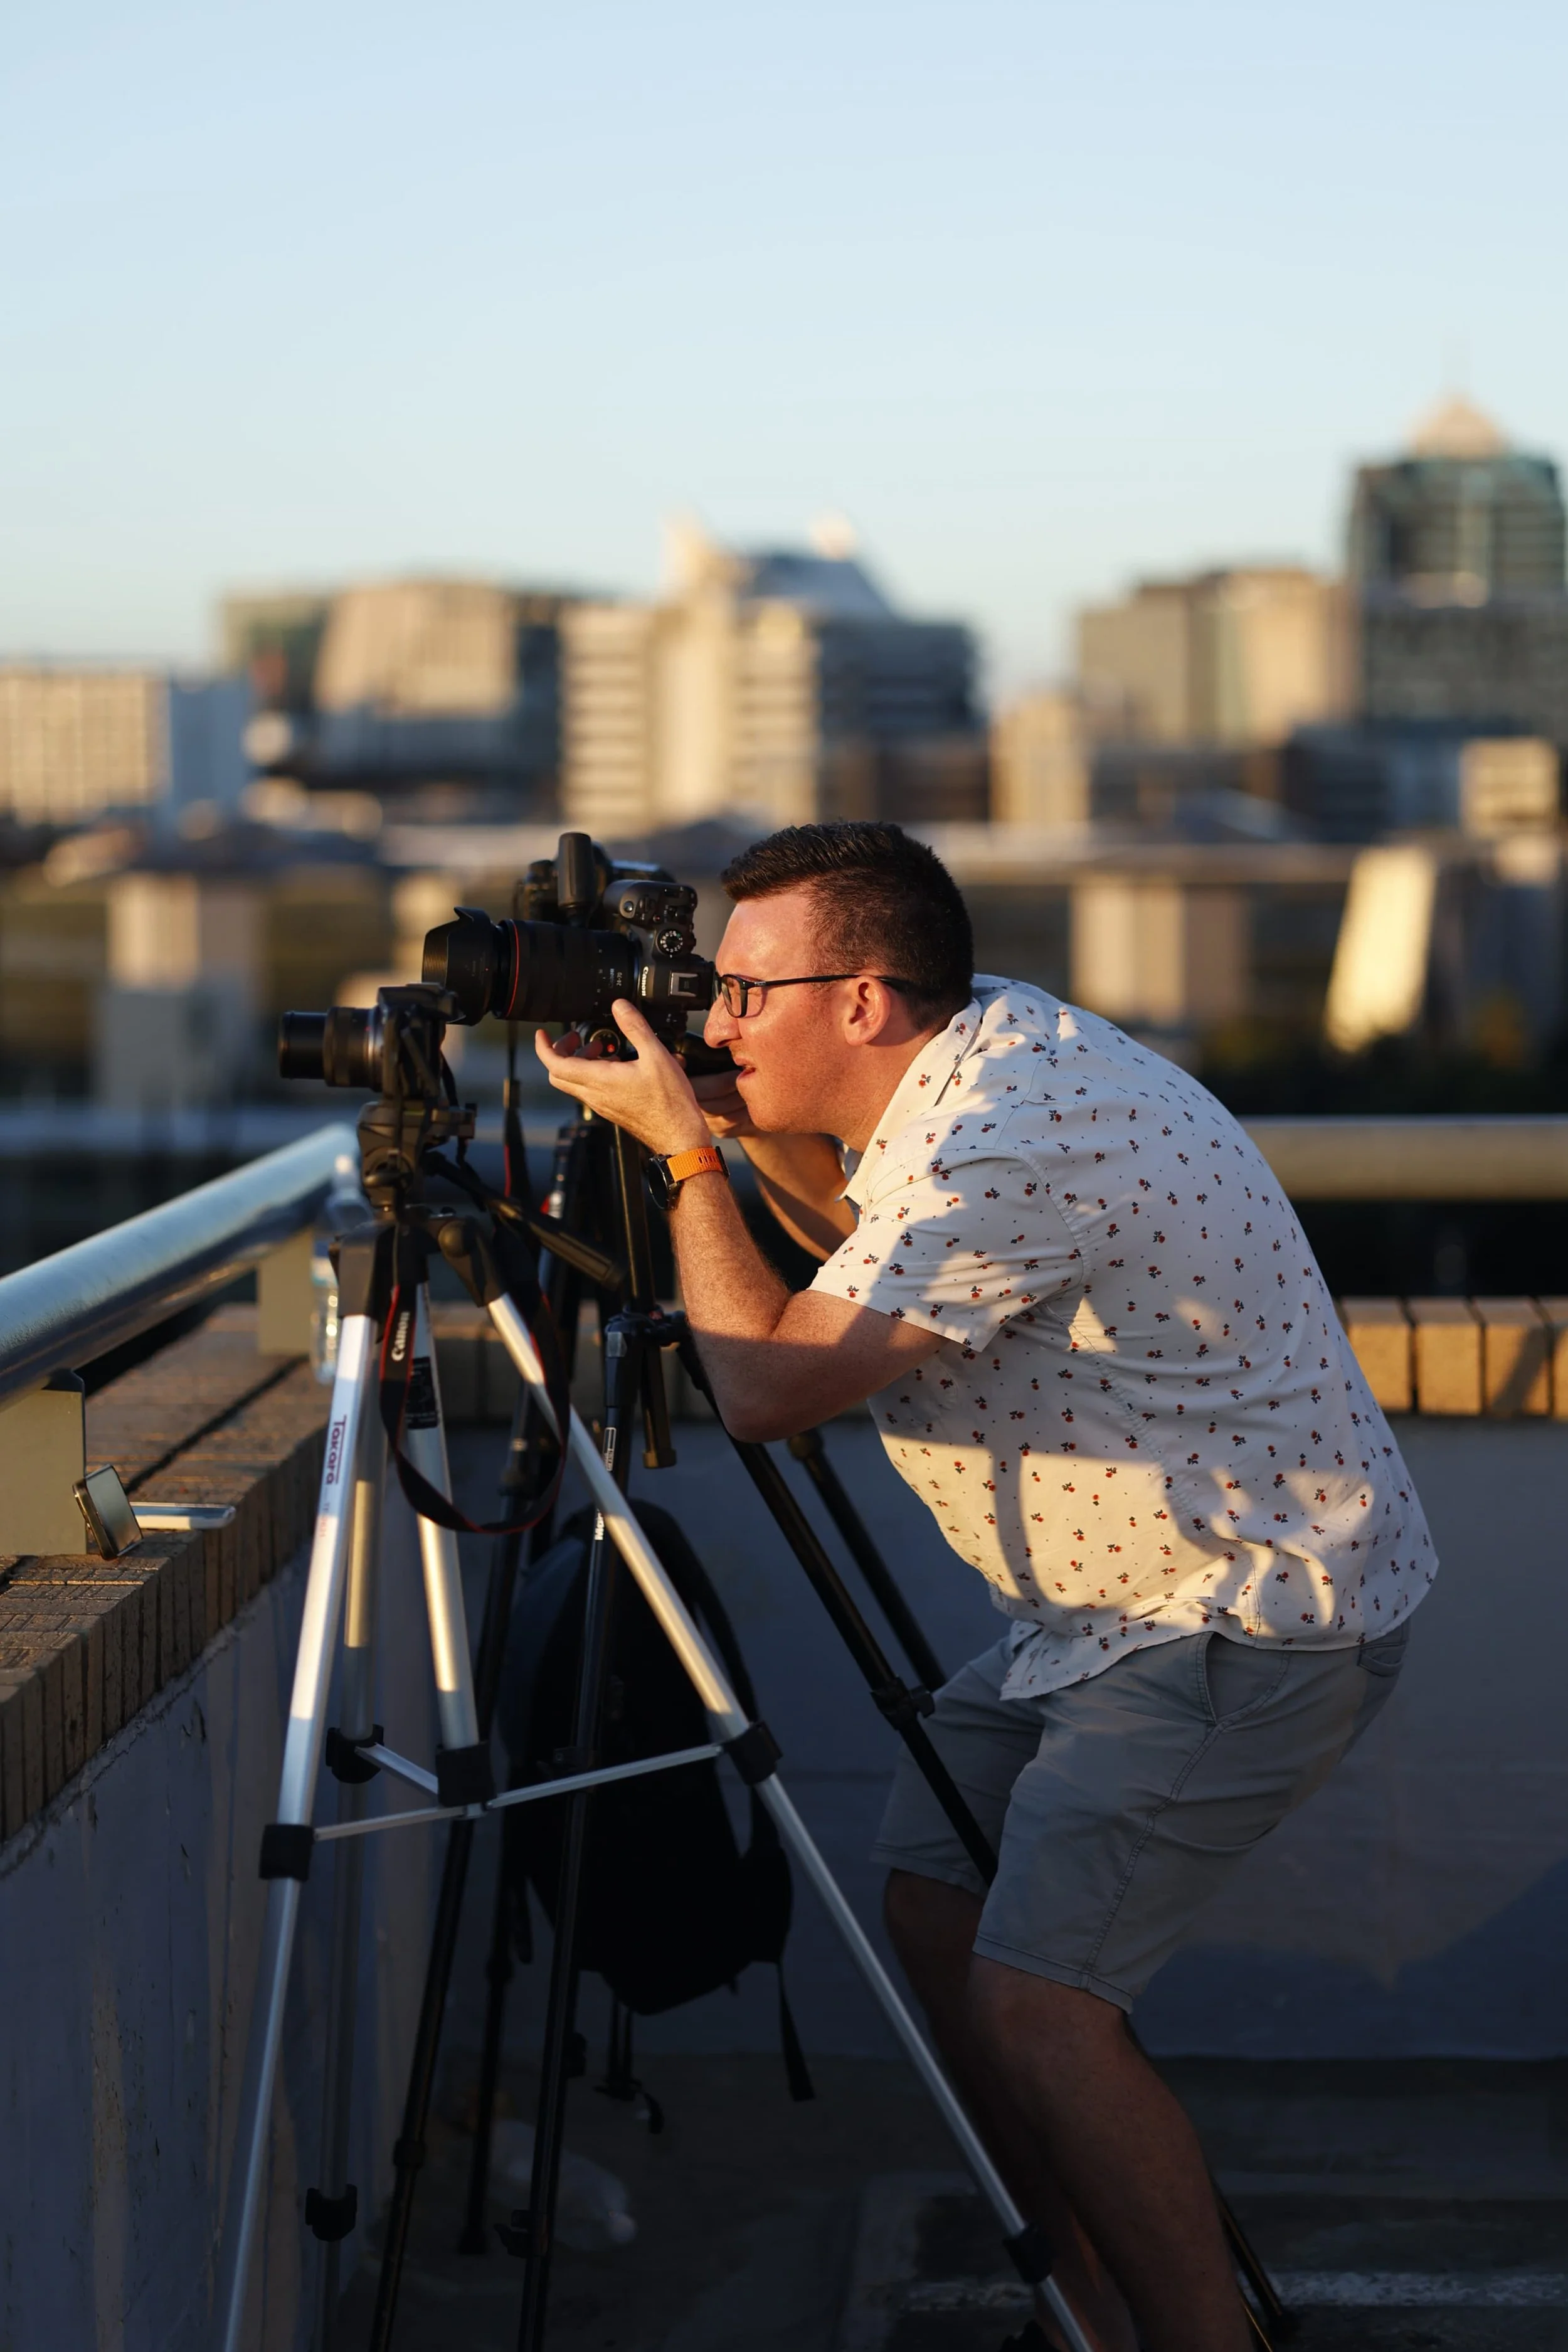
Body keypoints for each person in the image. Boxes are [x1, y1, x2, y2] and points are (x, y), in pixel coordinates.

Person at [535, 820, 1434, 2352]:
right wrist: (738, 1131)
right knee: (935, 1904)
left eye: (746, 994)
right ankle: (1079, 2302)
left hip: (1241, 1616)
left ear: (865, 1000)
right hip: (1102, 1614)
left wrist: (682, 1147)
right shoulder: (967, 1062)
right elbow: (869, 1264)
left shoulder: (1018, 1130)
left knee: (1038, 2006)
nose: (713, 1020)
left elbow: (762, 1383)